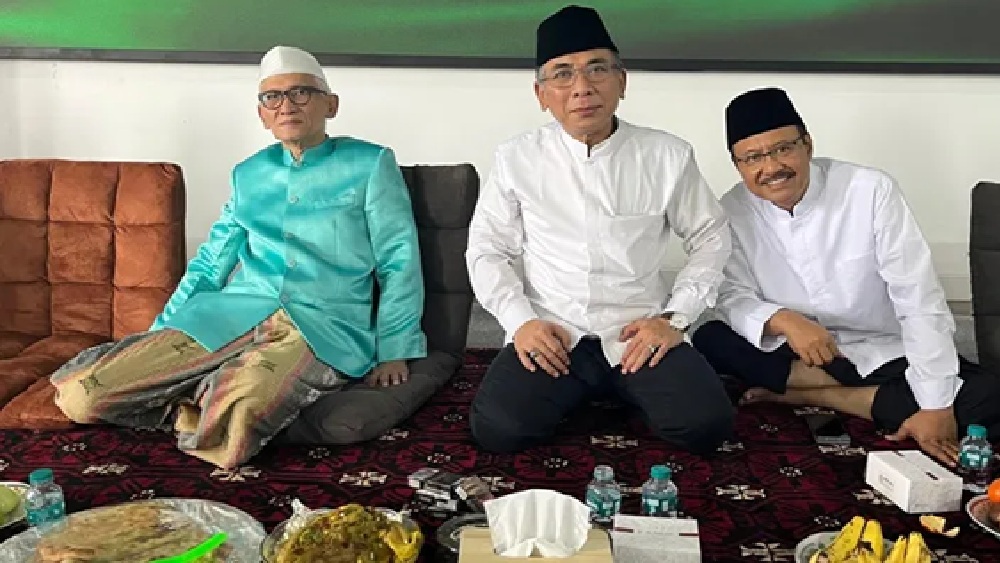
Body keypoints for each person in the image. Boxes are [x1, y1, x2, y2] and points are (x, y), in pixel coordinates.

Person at [50, 46, 427, 469]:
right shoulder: (248, 174)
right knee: (83, 396)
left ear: (331, 105)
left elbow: (398, 258)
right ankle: (201, 396)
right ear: (262, 114)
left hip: (321, 326)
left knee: (236, 421)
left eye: (302, 93)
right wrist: (163, 329)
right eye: (272, 97)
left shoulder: (370, 163)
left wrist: (395, 348)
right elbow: (212, 261)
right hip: (231, 315)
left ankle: (204, 396)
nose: (287, 105)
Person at [466, 5, 735, 455]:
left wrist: (675, 318)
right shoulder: (516, 158)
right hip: (555, 331)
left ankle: (618, 389)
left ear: (622, 81)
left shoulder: (667, 155)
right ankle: (603, 392)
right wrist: (521, 323)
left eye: (597, 69)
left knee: (705, 425)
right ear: (541, 94)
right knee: (499, 429)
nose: (582, 88)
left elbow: (711, 235)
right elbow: (486, 249)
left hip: (637, 333)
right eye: (563, 74)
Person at [692, 87, 1000, 466]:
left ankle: (815, 395)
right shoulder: (732, 209)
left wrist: (936, 408)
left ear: (807, 144)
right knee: (709, 338)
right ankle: (876, 398)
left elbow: (917, 295)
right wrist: (784, 320)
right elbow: (732, 294)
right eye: (753, 157)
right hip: (798, 348)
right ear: (738, 165)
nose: (771, 168)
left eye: (783, 149)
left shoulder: (869, 190)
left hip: (886, 348)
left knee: (986, 396)